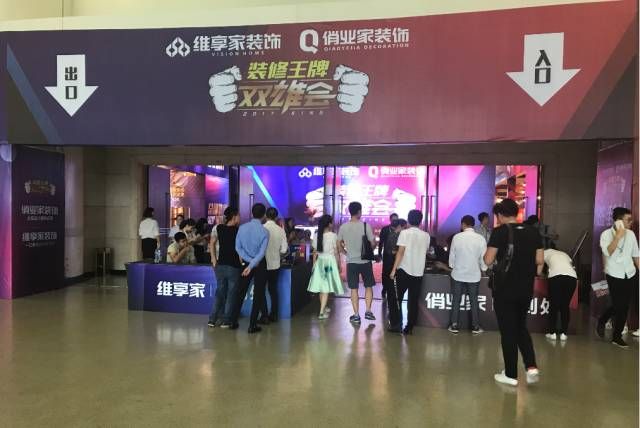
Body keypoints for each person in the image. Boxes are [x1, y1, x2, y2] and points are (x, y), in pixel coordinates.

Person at [484, 199, 543, 387]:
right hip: (526, 288)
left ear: (500, 215)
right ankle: (531, 366)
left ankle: (510, 374)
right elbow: (539, 260)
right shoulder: (533, 232)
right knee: (520, 327)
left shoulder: (500, 232)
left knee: (508, 331)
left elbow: (488, 260)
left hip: (505, 289)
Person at [596, 207, 639, 348]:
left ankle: (617, 336)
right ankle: (603, 319)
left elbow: (636, 255)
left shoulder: (631, 234)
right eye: (628, 220)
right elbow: (608, 252)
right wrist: (618, 237)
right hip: (614, 273)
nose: (631, 222)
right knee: (618, 305)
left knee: (624, 306)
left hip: (630, 273)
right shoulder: (606, 234)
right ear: (618, 221)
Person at [389, 210, 430, 335]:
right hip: (418, 272)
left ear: (408, 220)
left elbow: (400, 252)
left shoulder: (404, 233)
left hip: (404, 270)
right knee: (413, 301)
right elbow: (425, 252)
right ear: (420, 221)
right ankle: (410, 327)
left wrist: (393, 270)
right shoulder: (426, 235)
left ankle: (396, 325)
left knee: (397, 299)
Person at [233, 203, 269, 334]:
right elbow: (262, 253)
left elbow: (238, 248)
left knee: (240, 292)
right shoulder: (265, 232)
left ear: (252, 213)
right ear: (264, 215)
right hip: (260, 264)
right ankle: (252, 325)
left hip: (245, 263)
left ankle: (232, 321)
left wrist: (248, 262)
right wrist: (253, 263)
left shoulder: (242, 228)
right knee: (258, 294)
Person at [448, 215, 487, 335]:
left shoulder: (457, 237)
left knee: (456, 300)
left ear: (463, 224)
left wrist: (452, 265)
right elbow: (483, 258)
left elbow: (452, 256)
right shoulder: (480, 238)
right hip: (474, 275)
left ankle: (454, 325)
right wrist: (484, 269)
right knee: (474, 300)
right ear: (473, 225)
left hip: (458, 274)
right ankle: (475, 326)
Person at [338, 202, 376, 324]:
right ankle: (368, 311)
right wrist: (369, 250)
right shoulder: (366, 226)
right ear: (359, 211)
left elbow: (339, 245)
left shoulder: (343, 227)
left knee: (354, 289)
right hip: (365, 261)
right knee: (368, 286)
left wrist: (346, 253)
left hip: (351, 262)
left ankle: (356, 315)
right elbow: (373, 243)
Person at [208, 207, 242, 328]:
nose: (240, 218)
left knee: (220, 292)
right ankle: (226, 320)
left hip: (220, 264)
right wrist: (242, 262)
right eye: (238, 216)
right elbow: (240, 250)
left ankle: (212, 319)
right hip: (234, 266)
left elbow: (211, 243)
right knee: (231, 294)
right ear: (234, 217)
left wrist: (213, 259)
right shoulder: (239, 231)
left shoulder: (219, 228)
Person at [308, 215, 344, 319]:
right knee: (326, 287)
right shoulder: (333, 236)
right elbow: (336, 252)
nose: (332, 224)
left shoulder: (317, 235)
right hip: (329, 263)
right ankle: (321, 312)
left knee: (322, 286)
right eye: (331, 222)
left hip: (320, 262)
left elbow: (315, 252)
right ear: (329, 224)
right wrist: (339, 264)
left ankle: (323, 308)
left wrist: (314, 265)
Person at [543, 248, 577, 341]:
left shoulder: (544, 252)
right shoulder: (564, 254)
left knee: (554, 305)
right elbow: (572, 266)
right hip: (572, 278)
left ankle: (552, 333)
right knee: (565, 306)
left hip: (556, 276)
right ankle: (564, 334)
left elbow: (539, 263)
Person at [262, 207, 288, 323]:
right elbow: (284, 250)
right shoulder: (280, 230)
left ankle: (264, 315)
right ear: (276, 217)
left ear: (266, 216)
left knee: (260, 290)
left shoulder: (262, 228)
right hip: (275, 264)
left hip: (262, 264)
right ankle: (274, 315)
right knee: (273, 290)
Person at [381, 219, 403, 300]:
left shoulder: (394, 234)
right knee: (389, 277)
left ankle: (388, 292)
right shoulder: (394, 235)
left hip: (391, 260)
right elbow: (391, 250)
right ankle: (388, 292)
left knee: (389, 277)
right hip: (391, 260)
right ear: (399, 226)